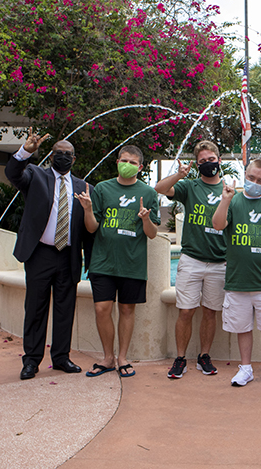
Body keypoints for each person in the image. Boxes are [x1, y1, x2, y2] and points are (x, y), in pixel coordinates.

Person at [5, 130, 93, 380]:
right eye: (58, 154)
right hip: (40, 254)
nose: (63, 158)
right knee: (35, 308)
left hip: (69, 255)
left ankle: (61, 357)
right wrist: (26, 151)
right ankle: (31, 361)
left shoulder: (85, 187)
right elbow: (12, 173)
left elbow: (89, 225)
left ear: (74, 159)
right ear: (51, 156)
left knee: (66, 309)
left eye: (68, 154)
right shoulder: (35, 175)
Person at [76, 145, 159, 378]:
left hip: (132, 263)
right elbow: (92, 227)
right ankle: (107, 358)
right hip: (103, 262)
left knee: (126, 309)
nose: (128, 165)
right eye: (124, 160)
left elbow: (152, 233)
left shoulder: (148, 193)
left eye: (133, 163)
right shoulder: (102, 189)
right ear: (116, 161)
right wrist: (88, 209)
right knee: (102, 308)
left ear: (140, 167)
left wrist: (145, 220)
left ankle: (122, 357)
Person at [212, 159, 261, 388]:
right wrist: (225, 200)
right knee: (242, 328)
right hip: (238, 281)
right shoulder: (232, 201)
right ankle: (245, 368)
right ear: (245, 175)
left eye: (259, 180)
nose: (254, 183)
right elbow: (218, 225)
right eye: (251, 178)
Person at [155, 141, 226, 379]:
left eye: (211, 159)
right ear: (197, 165)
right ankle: (180, 358)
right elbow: (160, 188)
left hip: (219, 262)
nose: (208, 164)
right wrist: (179, 174)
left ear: (219, 160)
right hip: (191, 259)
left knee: (210, 311)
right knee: (185, 311)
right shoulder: (190, 187)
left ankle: (204, 356)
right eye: (203, 161)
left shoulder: (229, 190)